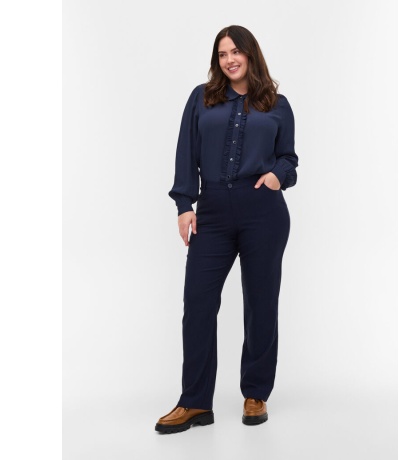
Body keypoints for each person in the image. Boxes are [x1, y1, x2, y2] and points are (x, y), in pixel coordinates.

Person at [155, 25, 299, 434]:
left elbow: (289, 158)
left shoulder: (277, 104)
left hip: (263, 212)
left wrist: (277, 175)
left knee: (260, 304)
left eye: (236, 51)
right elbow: (186, 152)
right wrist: (184, 205)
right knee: (198, 305)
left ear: (251, 55)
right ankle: (195, 402)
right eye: (222, 54)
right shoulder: (202, 99)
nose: (229, 59)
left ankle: (255, 393)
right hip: (213, 213)